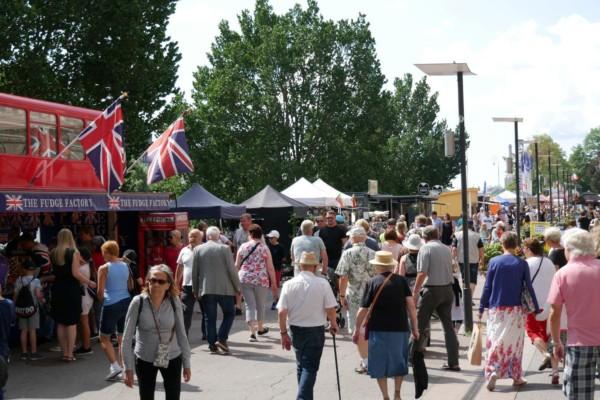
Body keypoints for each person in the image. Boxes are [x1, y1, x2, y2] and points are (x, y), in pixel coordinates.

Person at [479, 231, 540, 391]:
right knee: (515, 343)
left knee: (495, 339)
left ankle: (492, 371)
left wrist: (481, 306)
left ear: (502, 244)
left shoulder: (494, 261)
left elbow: (487, 287)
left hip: (496, 308)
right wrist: (535, 306)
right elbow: (529, 287)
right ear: (516, 246)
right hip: (516, 310)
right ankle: (516, 376)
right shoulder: (521, 263)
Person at [354, 251, 419, 400]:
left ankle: (385, 396)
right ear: (390, 266)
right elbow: (411, 305)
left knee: (379, 363)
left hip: (378, 328)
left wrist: (357, 329)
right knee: (399, 361)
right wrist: (415, 328)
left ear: (377, 267)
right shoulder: (401, 281)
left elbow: (362, 310)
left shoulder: (372, 282)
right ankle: (397, 393)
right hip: (400, 327)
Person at [122, 265, 191, 400]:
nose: (155, 284)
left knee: (173, 396)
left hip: (172, 356)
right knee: (146, 396)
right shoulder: (138, 301)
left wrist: (186, 363)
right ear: (148, 281)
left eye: (160, 281)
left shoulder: (174, 301)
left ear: (168, 285)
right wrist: (127, 368)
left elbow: (182, 333)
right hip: (144, 357)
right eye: (152, 280)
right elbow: (127, 337)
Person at [277, 251, 339, 400]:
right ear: (315, 267)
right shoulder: (322, 283)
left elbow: (282, 311)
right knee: (309, 367)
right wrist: (333, 323)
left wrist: (283, 333)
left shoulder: (289, 284)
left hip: (296, 328)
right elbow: (330, 308)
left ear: (301, 266)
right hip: (315, 328)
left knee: (302, 365)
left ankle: (305, 396)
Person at [548, 229, 600, 400]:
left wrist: (556, 343)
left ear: (569, 249)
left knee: (579, 395)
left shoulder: (562, 274)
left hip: (579, 343)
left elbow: (554, 313)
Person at [412, 226, 460, 372]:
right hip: (447, 288)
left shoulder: (425, 249)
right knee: (448, 327)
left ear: (424, 237)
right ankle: (454, 361)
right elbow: (453, 267)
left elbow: (422, 273)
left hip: (432, 289)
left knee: (419, 323)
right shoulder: (446, 248)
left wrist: (415, 291)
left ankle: (412, 356)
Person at [50, 228, 96, 362]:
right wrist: (89, 281)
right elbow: (75, 273)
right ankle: (69, 354)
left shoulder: (53, 252)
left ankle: (63, 352)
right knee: (71, 323)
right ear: (70, 238)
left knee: (61, 323)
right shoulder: (73, 252)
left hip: (57, 289)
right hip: (71, 289)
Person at [192, 227, 241, 354]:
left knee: (209, 317)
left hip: (206, 289)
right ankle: (222, 338)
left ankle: (212, 344)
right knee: (230, 313)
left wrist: (195, 289)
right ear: (219, 237)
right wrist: (237, 287)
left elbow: (195, 272)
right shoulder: (224, 249)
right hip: (225, 289)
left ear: (207, 237)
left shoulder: (197, 249)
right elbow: (231, 269)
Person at [335, 227, 376, 374]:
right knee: (370, 328)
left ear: (353, 238)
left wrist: (341, 296)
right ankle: (368, 358)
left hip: (354, 295)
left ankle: (366, 361)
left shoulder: (347, 253)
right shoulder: (373, 253)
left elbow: (343, 277)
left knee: (357, 329)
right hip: (372, 295)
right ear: (364, 238)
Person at [522, 238, 560, 384]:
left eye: (525, 249)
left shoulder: (527, 264)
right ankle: (555, 369)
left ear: (530, 250)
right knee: (549, 335)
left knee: (532, 332)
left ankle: (545, 354)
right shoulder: (549, 262)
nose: (523, 251)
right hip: (549, 302)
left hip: (533, 304)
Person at [236, 224, 278, 342]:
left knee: (250, 306)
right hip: (261, 279)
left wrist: (234, 281)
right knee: (260, 304)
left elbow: (236, 265)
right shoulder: (264, 248)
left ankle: (252, 333)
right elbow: (270, 267)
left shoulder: (243, 247)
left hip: (245, 278)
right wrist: (274, 284)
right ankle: (260, 328)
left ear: (250, 234)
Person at [97, 240, 132, 381]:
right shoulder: (125, 265)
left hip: (111, 303)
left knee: (104, 337)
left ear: (106, 252)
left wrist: (103, 301)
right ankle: (125, 367)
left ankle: (115, 366)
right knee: (122, 336)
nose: (102, 255)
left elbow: (100, 292)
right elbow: (130, 285)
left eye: (103, 252)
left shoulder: (104, 268)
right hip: (126, 301)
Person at [13, 260, 44, 360]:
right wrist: (43, 299)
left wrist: (14, 306)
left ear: (23, 269)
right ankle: (34, 353)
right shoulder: (36, 281)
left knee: (23, 330)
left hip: (21, 309)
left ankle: (24, 352)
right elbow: (38, 295)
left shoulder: (19, 280)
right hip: (33, 309)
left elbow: (15, 295)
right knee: (32, 331)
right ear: (34, 270)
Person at [175, 229, 203, 336]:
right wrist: (176, 282)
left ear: (201, 238)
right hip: (187, 286)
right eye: (191, 236)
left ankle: (207, 334)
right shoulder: (184, 250)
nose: (192, 238)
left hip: (202, 286)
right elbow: (180, 266)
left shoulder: (204, 249)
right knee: (185, 312)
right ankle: (184, 336)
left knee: (206, 311)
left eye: (195, 236)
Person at [452, 220, 484, 294]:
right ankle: (470, 297)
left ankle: (465, 297)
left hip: (462, 260)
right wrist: (482, 260)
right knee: (472, 280)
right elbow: (481, 249)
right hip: (474, 260)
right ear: (471, 225)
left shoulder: (457, 235)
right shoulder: (477, 235)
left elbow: (454, 249)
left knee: (464, 278)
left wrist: (453, 260)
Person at [75, 247, 95, 356]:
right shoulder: (87, 266)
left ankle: (86, 346)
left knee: (84, 322)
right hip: (87, 296)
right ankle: (85, 345)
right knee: (84, 321)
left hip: (84, 296)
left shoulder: (81, 268)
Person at [319, 210, 347, 282]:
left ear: (335, 218)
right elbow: (320, 245)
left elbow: (345, 245)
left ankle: (337, 292)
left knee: (337, 279)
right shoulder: (322, 230)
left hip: (337, 259)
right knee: (325, 278)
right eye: (328, 218)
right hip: (325, 259)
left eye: (331, 217)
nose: (329, 219)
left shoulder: (341, 230)